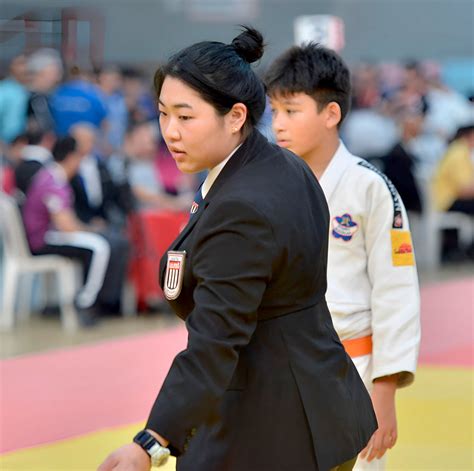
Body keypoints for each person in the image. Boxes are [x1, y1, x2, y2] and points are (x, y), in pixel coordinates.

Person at [98, 27, 376, 471]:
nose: (170, 131)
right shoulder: (282, 165)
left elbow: (215, 341)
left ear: (235, 116)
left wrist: (150, 441)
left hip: (271, 426)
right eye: (163, 114)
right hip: (324, 405)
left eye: (186, 117)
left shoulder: (241, 206)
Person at [265, 43, 420, 471]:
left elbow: (396, 291)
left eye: (291, 111)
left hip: (354, 366)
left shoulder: (369, 187)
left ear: (330, 114)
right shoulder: (272, 189)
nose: (278, 124)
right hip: (282, 368)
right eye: (274, 112)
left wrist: (385, 389)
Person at [22, 136, 111, 326]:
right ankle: (85, 302)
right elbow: (66, 226)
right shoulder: (52, 182)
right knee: (99, 246)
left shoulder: (51, 176)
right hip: (43, 239)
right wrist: (90, 230)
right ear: (71, 157)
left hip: (47, 235)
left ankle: (82, 299)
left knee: (95, 242)